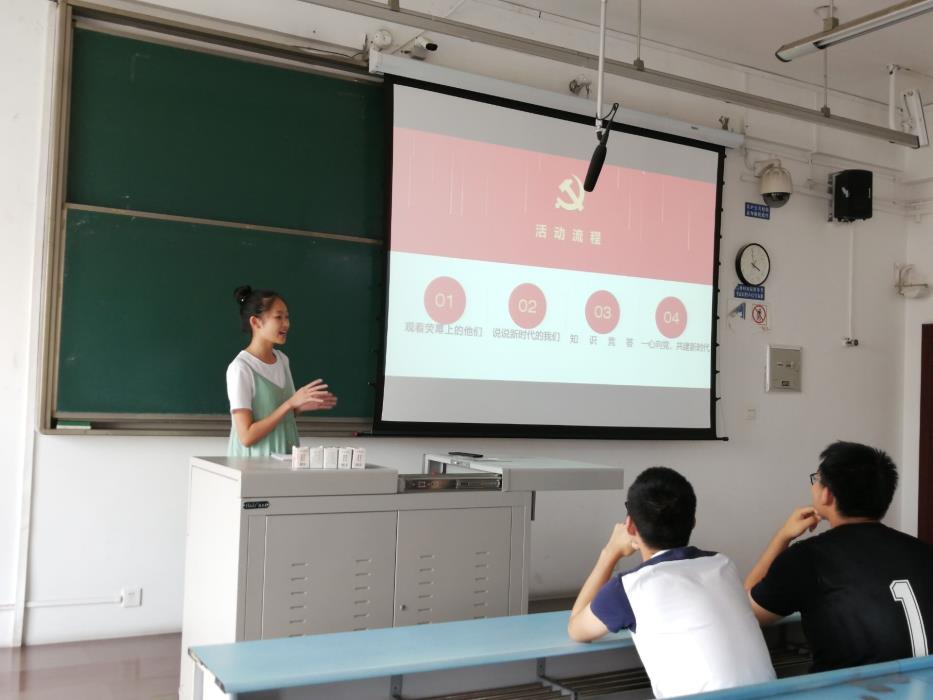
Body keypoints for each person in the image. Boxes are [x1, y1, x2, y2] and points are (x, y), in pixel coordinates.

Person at [568, 467, 775, 698]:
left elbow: (577, 630)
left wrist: (610, 552)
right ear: (693, 522)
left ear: (630, 527)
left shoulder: (628, 588)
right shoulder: (723, 565)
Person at [746, 441, 933, 672]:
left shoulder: (807, 558)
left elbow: (745, 614)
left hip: (853, 688)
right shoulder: (923, 551)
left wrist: (783, 536)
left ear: (827, 494)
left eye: (817, 479)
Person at [227, 286, 336, 456]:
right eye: (278, 317)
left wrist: (299, 406)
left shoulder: (282, 360)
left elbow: (280, 411)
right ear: (256, 322)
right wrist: (290, 404)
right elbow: (246, 437)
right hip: (252, 465)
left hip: (285, 460)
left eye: (287, 317)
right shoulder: (241, 368)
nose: (286, 324)